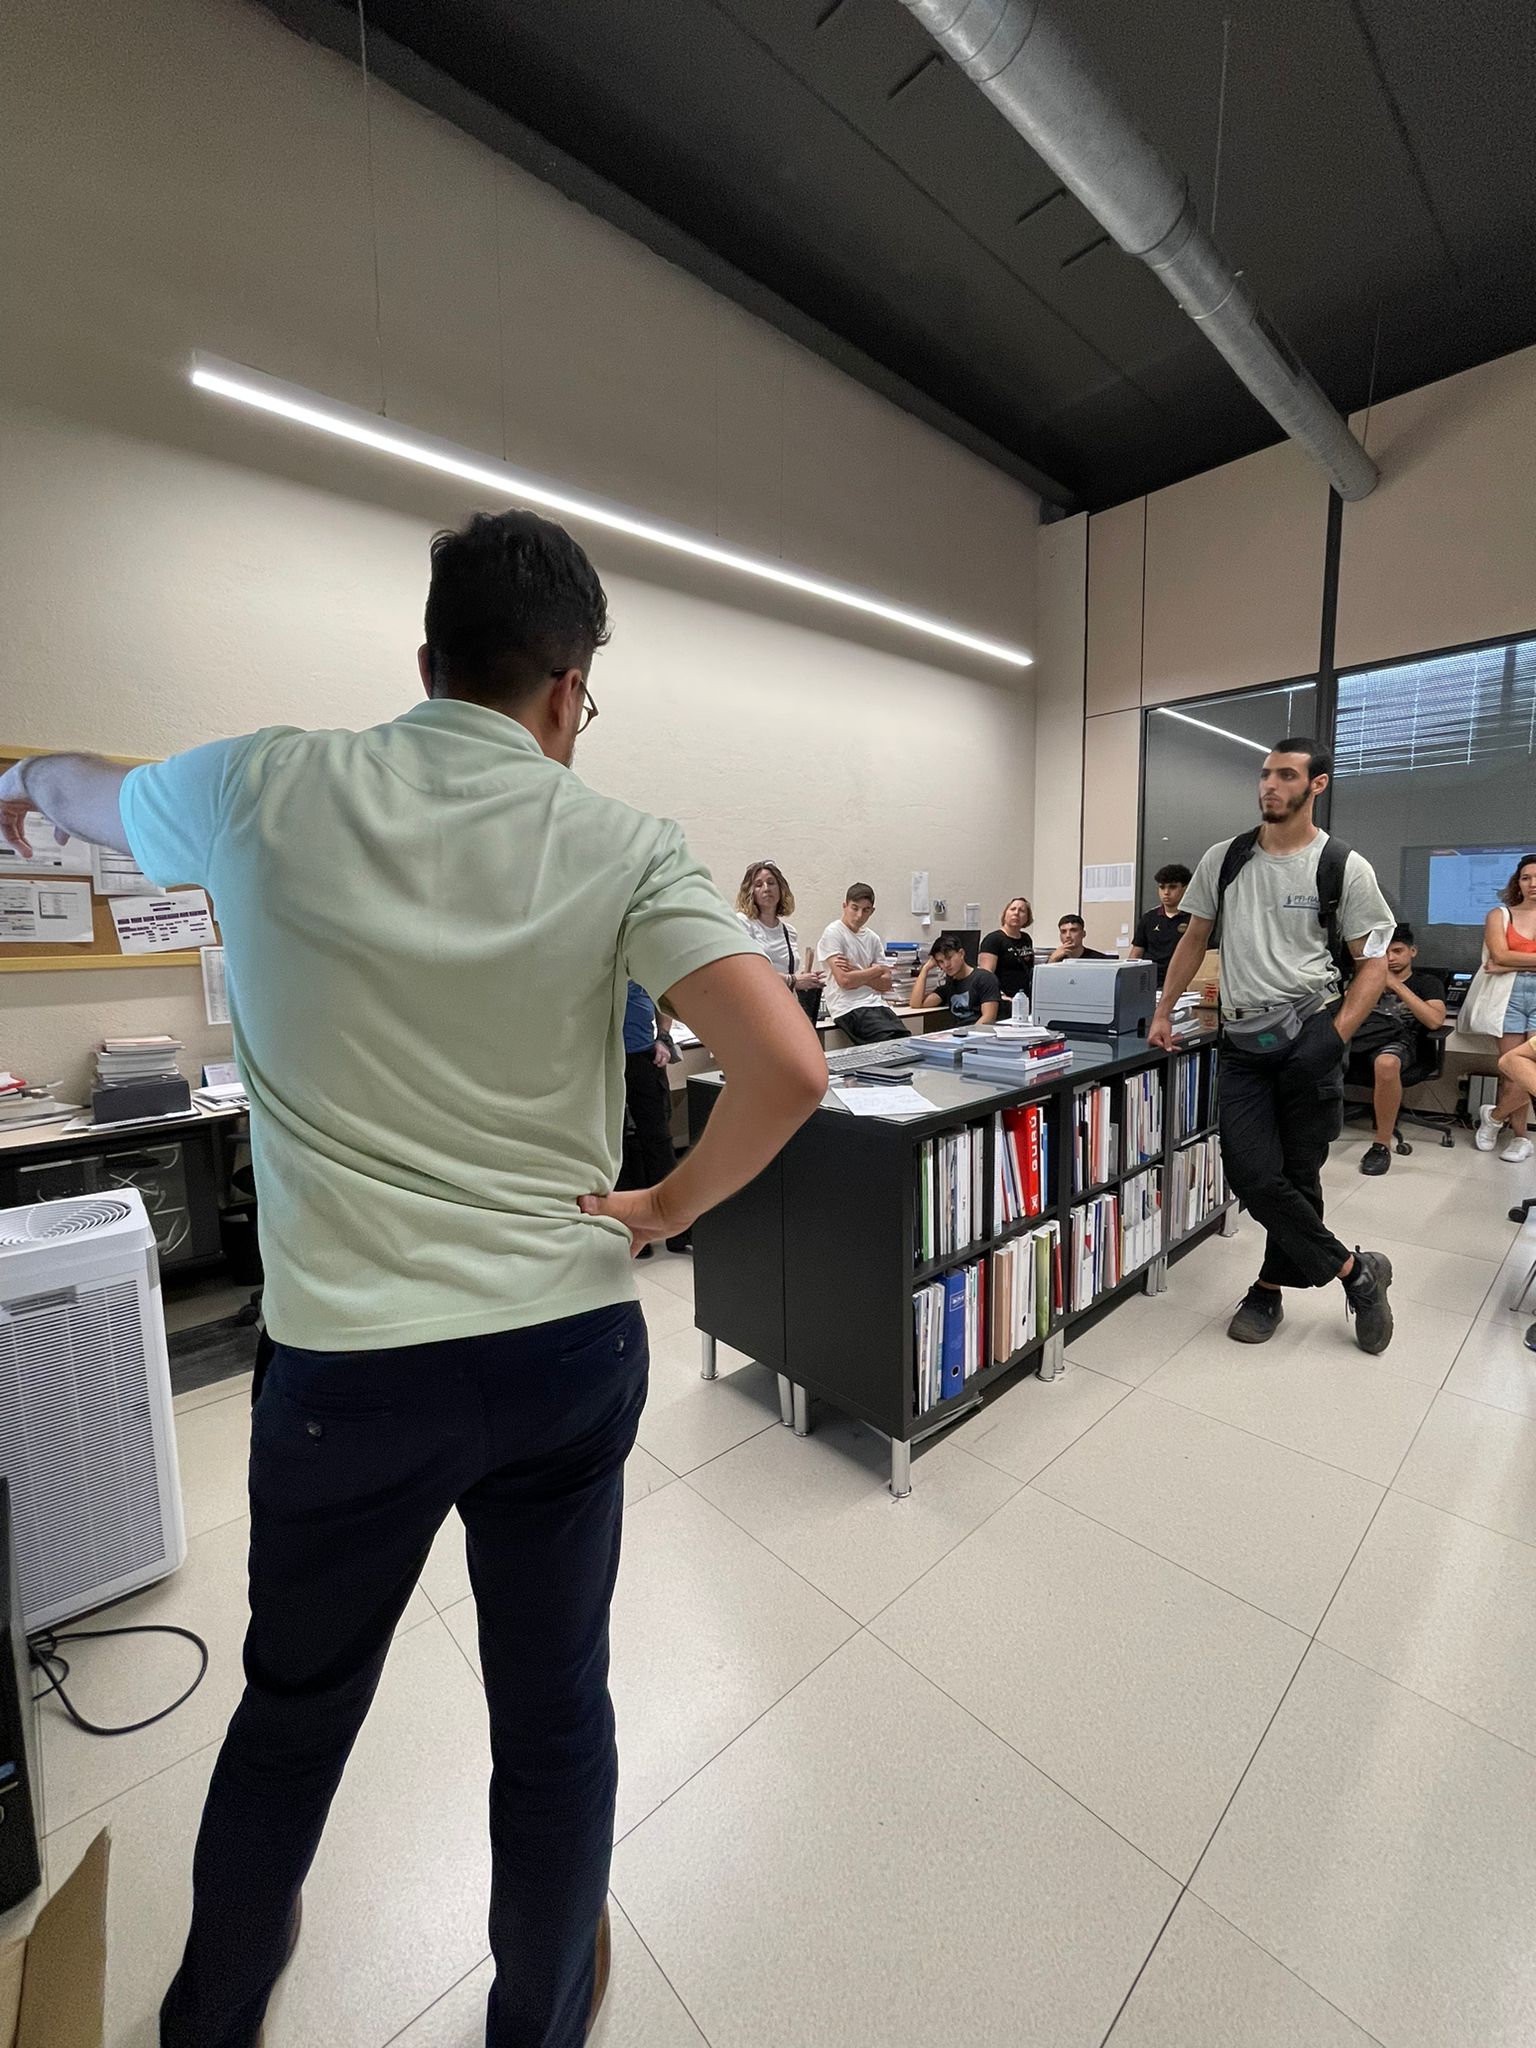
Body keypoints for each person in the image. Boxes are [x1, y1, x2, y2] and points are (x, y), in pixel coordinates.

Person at [0, 508, 828, 2048]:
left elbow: (70, 793)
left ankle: (214, 2018)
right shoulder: (622, 838)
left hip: (347, 1380)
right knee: (554, 1711)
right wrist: (664, 1204)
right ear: (571, 690)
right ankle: (535, 2023)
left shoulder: (262, 785)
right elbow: (785, 1060)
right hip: (560, 1355)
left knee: (294, 1717)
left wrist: (20, 782)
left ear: (428, 658)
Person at [1149, 737, 1398, 1354]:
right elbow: (1194, 939)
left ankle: (1267, 1289)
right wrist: (1162, 1009)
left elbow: (1372, 965)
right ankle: (1357, 1272)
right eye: (1265, 775)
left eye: (1286, 775)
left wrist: (1334, 1036)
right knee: (1254, 1175)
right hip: (1240, 1040)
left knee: (1297, 1173)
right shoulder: (1226, 858)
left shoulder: (1342, 865)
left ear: (1317, 785)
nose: (1269, 785)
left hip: (1310, 1033)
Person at [1346, 924, 1447, 1175]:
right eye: (1384, 953)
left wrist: (1397, 986)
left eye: (1398, 951)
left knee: (1386, 1063)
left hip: (1406, 1043)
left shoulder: (1427, 982)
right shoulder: (1365, 979)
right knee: (1311, 1051)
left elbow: (1435, 1021)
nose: (1390, 958)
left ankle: (1382, 1144)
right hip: (1362, 1039)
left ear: (1412, 951)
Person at [619, 980, 690, 1254]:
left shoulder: (639, 960)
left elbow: (663, 998)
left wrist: (662, 1037)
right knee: (620, 1143)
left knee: (659, 1141)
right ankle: (633, 1227)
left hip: (644, 1056)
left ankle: (677, 1230)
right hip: (606, 1059)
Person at [1474, 851, 1536, 1163]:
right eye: (1526, 877)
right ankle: (1521, 1138)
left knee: (1533, 1071)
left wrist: (1512, 962)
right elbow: (1499, 956)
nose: (1533, 883)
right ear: (1517, 882)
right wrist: (1505, 963)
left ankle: (1495, 1117)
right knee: (1513, 1069)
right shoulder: (1500, 914)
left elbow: (1508, 960)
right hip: (1508, 996)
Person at [815, 884, 911, 1043]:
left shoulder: (873, 938)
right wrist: (876, 970)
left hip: (878, 1005)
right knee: (886, 1044)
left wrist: (857, 972)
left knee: (906, 1040)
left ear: (872, 911)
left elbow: (886, 984)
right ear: (844, 906)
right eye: (854, 908)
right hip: (848, 1007)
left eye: (866, 910)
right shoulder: (834, 933)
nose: (859, 915)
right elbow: (845, 981)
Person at [735, 858, 824, 1025]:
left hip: (784, 1008)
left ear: (781, 889)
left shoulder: (789, 932)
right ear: (750, 891)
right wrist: (794, 980)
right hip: (754, 1010)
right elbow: (748, 974)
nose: (766, 889)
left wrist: (806, 979)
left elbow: (783, 969)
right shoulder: (743, 923)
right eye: (759, 884)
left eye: (771, 883)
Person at [912, 935, 1002, 1026]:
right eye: (941, 962)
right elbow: (916, 1003)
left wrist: (967, 1036)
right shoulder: (950, 984)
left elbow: (988, 1018)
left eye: (949, 958)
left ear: (961, 954)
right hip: (958, 1035)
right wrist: (925, 969)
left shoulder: (985, 978)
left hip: (978, 1035)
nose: (946, 965)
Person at [1129, 864, 1193, 988]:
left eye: (1172, 887)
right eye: (1162, 887)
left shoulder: (1195, 918)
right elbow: (1136, 953)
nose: (1166, 892)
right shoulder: (1149, 917)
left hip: (1184, 983)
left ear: (1185, 888)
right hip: (1150, 982)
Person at [979, 896, 1035, 1006]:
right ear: (1005, 914)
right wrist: (999, 995)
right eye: (1012, 909)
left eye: (1022, 911)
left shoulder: (1026, 938)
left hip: (1024, 998)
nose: (1016, 913)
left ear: (1027, 918)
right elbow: (986, 975)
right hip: (1004, 1000)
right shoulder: (993, 939)